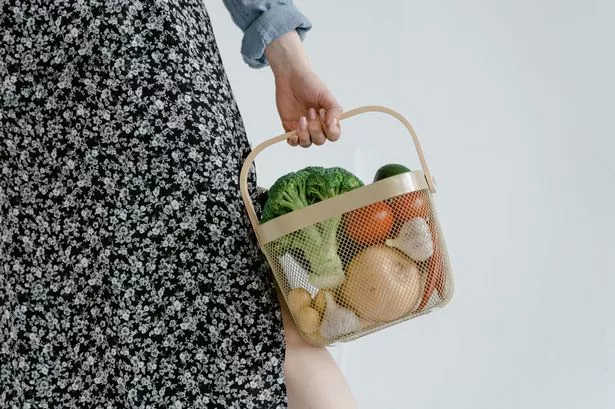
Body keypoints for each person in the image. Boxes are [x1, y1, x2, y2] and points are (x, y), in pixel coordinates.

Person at [0, 1, 357, 408]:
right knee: (57, 346)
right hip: (26, 111)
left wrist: (289, 59)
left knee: (254, 325)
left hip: (145, 62)